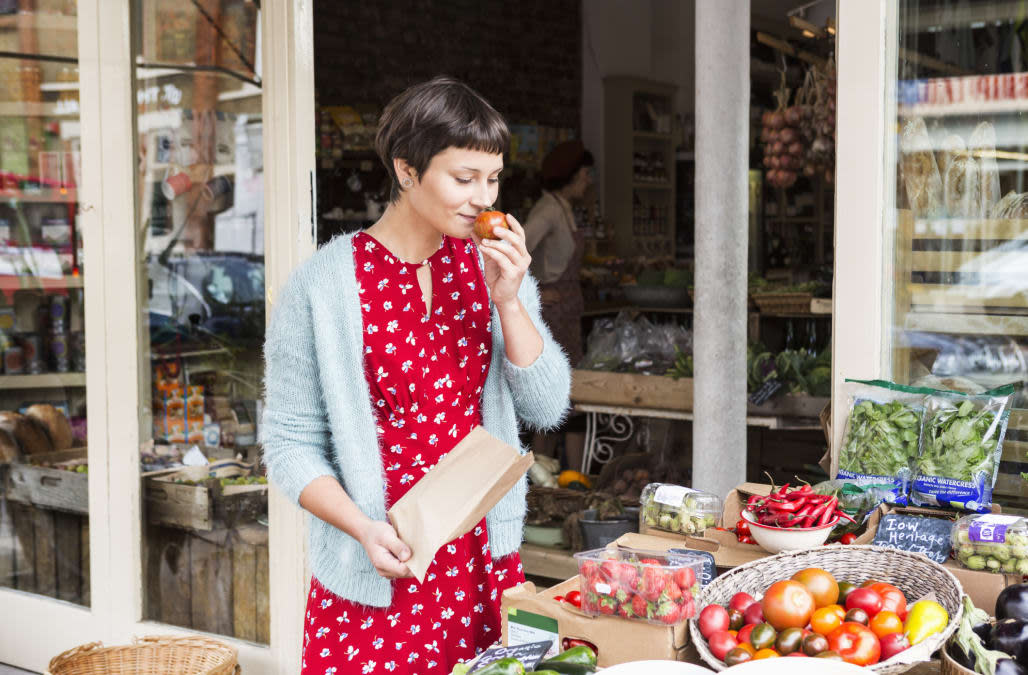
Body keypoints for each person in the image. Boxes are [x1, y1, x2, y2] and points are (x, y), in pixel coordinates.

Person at [260, 76, 571, 675]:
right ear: (406, 171)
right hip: (378, 557)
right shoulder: (321, 287)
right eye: (464, 178)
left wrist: (508, 302)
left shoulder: (493, 268)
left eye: (494, 178)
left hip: (481, 554)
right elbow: (290, 446)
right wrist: (363, 529)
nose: (484, 198)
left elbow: (548, 405)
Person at [523, 140, 594, 367]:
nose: (588, 180)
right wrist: (531, 293)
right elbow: (517, 249)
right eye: (585, 173)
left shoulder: (564, 207)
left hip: (568, 310)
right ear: (571, 176)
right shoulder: (549, 210)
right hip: (553, 313)